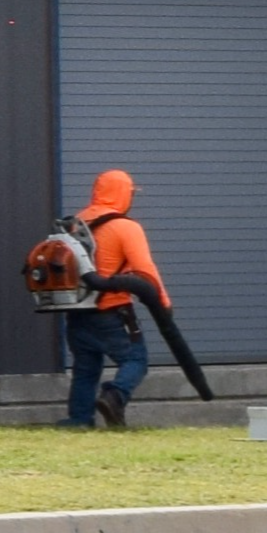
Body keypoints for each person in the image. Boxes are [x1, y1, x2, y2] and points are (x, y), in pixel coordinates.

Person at [58, 166, 195, 429]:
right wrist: (163, 303)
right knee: (136, 360)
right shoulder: (125, 227)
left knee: (85, 369)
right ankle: (114, 396)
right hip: (113, 312)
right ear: (124, 194)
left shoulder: (75, 223)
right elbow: (145, 270)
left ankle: (79, 419)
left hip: (77, 312)